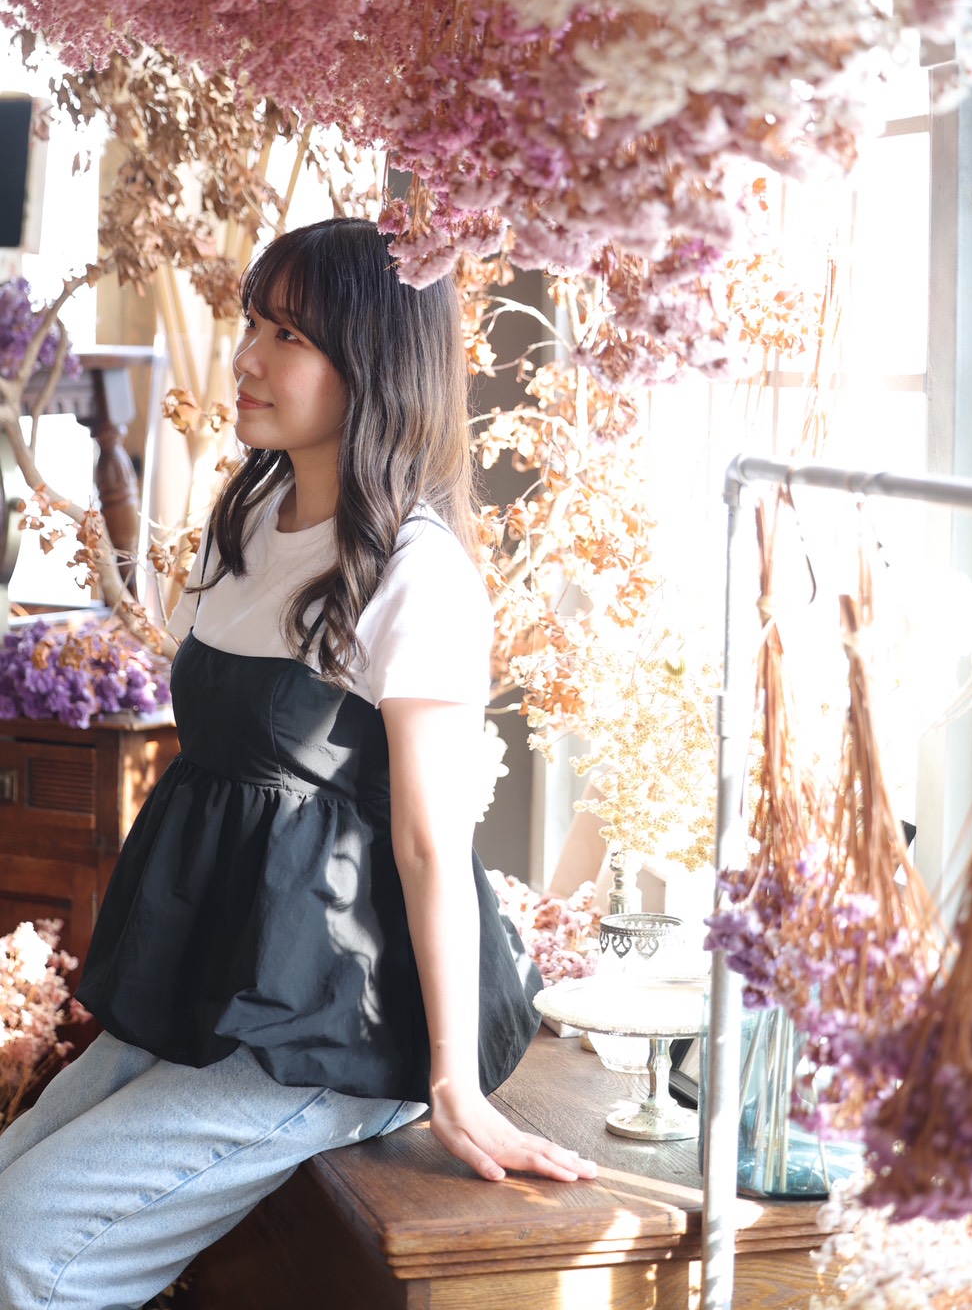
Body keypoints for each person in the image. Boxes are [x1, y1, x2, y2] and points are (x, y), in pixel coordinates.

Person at [0, 217, 596, 1310]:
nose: (247, 357)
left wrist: (452, 1081)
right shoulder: (249, 522)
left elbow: (429, 844)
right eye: (252, 324)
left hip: (343, 1022)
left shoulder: (417, 572)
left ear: (372, 363)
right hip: (227, 986)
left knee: (19, 1254)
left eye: (289, 335)